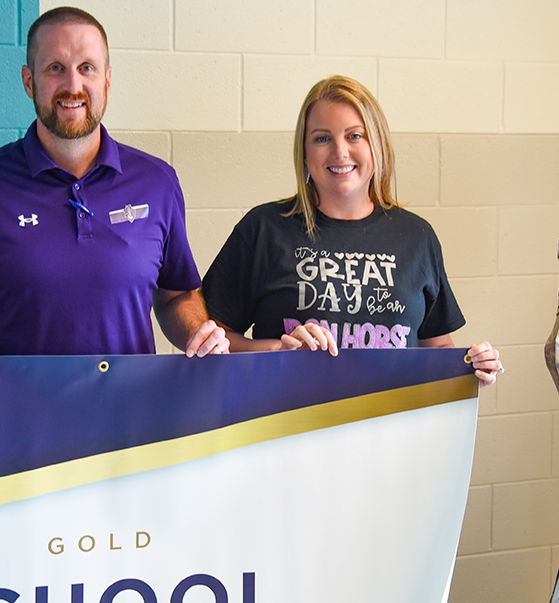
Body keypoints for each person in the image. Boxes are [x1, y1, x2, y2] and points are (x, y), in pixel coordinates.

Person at [0, 6, 228, 368]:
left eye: (87, 68)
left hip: (132, 418)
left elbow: (176, 296)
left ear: (108, 80)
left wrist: (198, 332)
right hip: (12, 418)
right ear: (29, 81)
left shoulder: (158, 182)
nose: (73, 86)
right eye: (55, 68)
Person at [202, 75, 502, 384]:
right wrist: (279, 349)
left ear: (377, 145)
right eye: (322, 138)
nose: (340, 151)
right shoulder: (263, 229)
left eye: (354, 136)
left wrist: (473, 368)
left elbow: (437, 347)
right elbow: (213, 340)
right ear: (304, 153)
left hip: (391, 427)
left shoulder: (417, 237)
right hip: (287, 425)